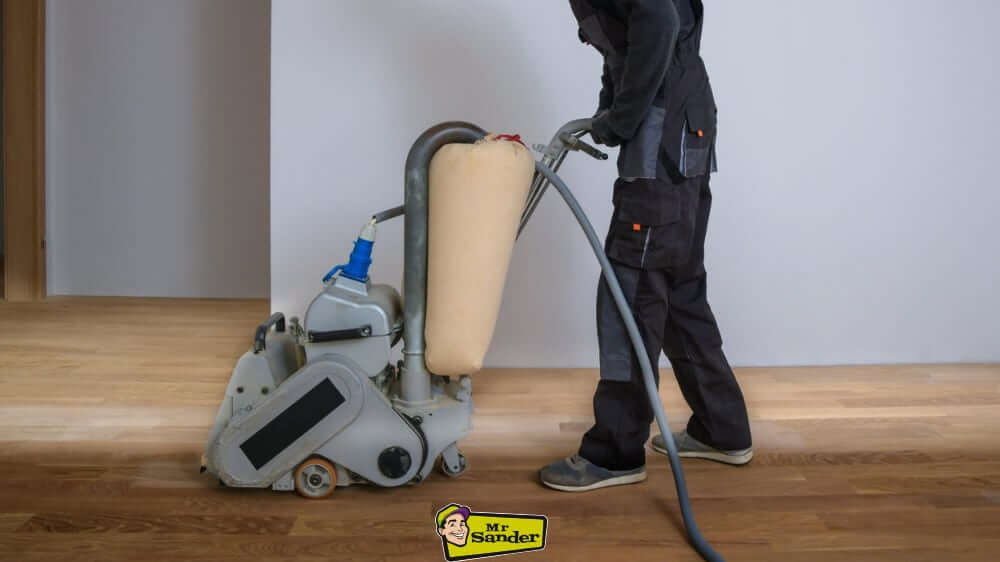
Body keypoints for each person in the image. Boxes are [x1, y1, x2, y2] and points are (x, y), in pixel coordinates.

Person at [540, 0, 753, 492]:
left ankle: (615, 452)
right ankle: (723, 430)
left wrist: (622, 118)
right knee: (677, 290)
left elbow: (658, 20)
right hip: (681, 133)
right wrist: (609, 110)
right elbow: (630, 45)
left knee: (629, 293)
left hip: (662, 142)